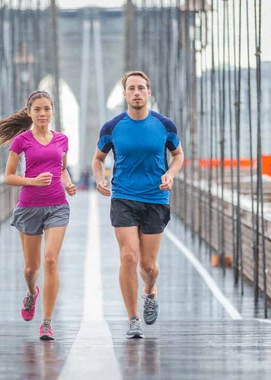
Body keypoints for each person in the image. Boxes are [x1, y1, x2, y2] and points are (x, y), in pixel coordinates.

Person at [91, 71, 184, 339]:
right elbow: (97, 159)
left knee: (147, 266)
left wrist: (171, 174)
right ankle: (133, 319)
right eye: (131, 88)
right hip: (123, 197)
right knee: (128, 256)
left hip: (155, 198)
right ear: (125, 94)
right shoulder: (112, 127)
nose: (136, 93)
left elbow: (178, 154)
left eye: (141, 88)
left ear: (149, 92)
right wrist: (100, 179)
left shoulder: (165, 125)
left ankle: (149, 292)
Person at [0, 90, 77, 341]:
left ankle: (47, 322)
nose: (42, 113)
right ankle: (31, 292)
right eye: (37, 109)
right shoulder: (21, 141)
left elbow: (62, 170)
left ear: (52, 111)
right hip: (29, 208)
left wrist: (68, 183)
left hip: (57, 206)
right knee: (31, 268)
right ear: (29, 112)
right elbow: (8, 176)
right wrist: (33, 181)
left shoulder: (62, 140)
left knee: (50, 260)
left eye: (47, 109)